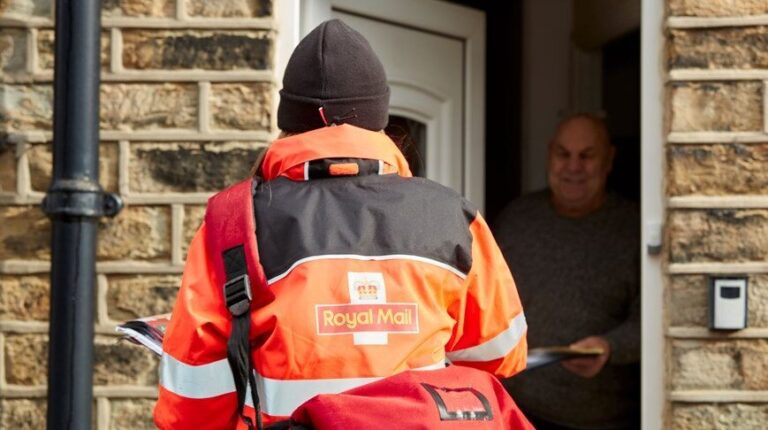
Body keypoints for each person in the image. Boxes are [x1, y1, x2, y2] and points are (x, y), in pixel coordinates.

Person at [154, 19, 528, 429]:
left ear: (289, 124)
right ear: (380, 121)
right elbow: (501, 354)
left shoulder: (233, 221)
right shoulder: (452, 216)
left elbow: (191, 401)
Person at [494, 114, 640, 429]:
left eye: (587, 156)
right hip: (515, 413)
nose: (573, 167)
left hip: (601, 420)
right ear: (550, 155)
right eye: (563, 154)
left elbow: (655, 323)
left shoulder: (634, 230)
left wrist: (610, 347)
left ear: (609, 160)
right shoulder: (516, 220)